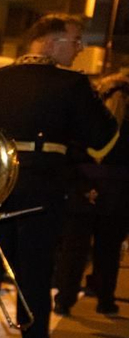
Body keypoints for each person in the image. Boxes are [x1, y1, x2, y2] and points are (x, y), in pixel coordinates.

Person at [0, 13, 115, 338]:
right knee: (35, 265)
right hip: (43, 186)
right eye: (75, 41)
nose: (79, 50)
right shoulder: (71, 84)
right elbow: (103, 138)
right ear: (50, 43)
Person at [54, 74, 128, 316]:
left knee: (74, 249)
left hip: (82, 188)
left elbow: (69, 151)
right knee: (108, 249)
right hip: (117, 191)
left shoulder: (85, 115)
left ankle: (65, 298)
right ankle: (105, 298)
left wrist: (85, 185)